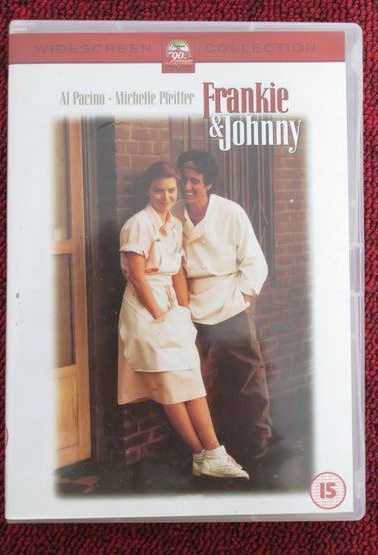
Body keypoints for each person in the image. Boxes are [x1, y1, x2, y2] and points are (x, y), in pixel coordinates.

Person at [117, 161, 248, 479]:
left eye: (171, 190)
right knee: (172, 386)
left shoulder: (175, 224)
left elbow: (177, 270)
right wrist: (160, 317)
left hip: (172, 307)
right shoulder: (138, 225)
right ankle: (205, 454)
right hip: (146, 309)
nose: (166, 196)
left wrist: (183, 312)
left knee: (189, 378)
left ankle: (210, 455)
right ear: (148, 191)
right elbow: (137, 277)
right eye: (158, 190)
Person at [173, 150, 272, 462]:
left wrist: (245, 297)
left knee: (246, 372)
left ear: (209, 183)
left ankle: (257, 439)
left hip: (229, 298)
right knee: (185, 373)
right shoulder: (174, 214)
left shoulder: (231, 212)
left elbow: (254, 260)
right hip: (189, 302)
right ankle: (197, 445)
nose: (187, 187)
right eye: (183, 179)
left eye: (195, 181)